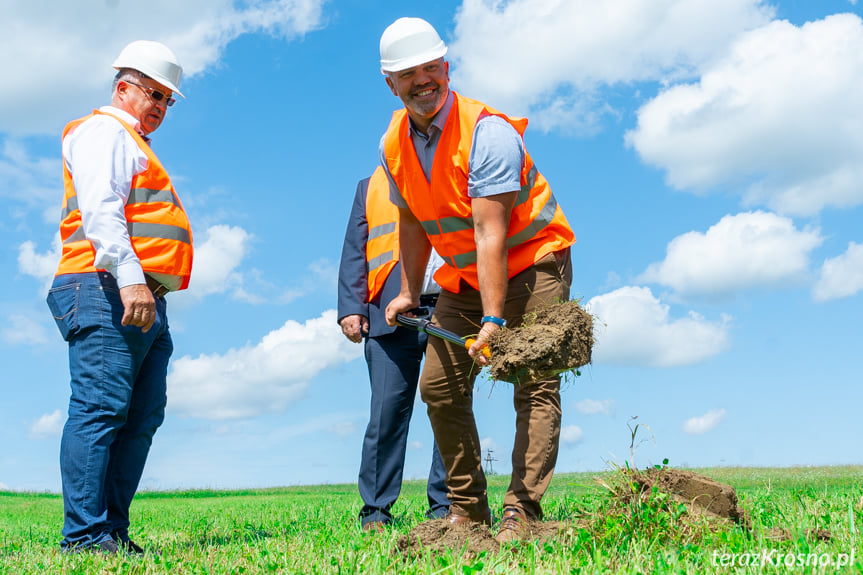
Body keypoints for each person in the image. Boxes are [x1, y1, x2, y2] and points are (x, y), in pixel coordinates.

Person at [377, 17, 576, 543]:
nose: (423, 80)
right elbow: (413, 220)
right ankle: (467, 511)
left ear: (446, 66)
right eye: (409, 73)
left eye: (431, 67)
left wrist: (492, 320)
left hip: (533, 263)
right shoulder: (393, 144)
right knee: (439, 388)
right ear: (390, 83)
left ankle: (522, 510)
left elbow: (492, 232)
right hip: (467, 276)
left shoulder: (488, 133)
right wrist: (407, 291)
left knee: (533, 383)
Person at [46, 40, 192, 554]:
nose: (159, 106)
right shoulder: (104, 131)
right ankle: (84, 537)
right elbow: (101, 210)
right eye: (153, 93)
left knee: (141, 416)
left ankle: (110, 531)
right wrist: (131, 278)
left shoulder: (134, 141)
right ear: (123, 86)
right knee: (102, 408)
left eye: (167, 100)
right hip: (105, 286)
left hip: (140, 297)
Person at [338, 166, 450, 531]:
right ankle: (375, 511)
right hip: (388, 313)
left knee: (451, 411)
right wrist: (352, 307)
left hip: (451, 307)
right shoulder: (370, 187)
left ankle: (446, 508)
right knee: (386, 414)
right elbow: (356, 249)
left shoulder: (456, 170)